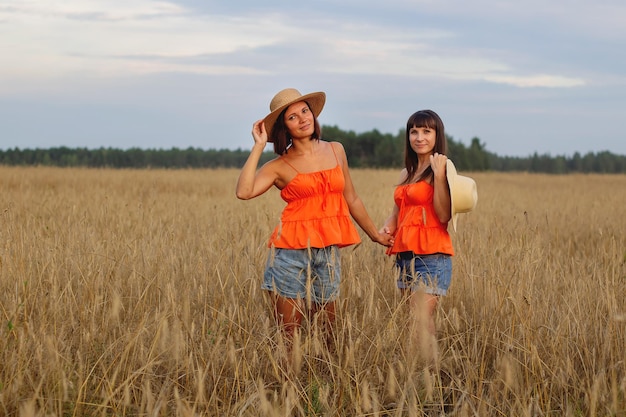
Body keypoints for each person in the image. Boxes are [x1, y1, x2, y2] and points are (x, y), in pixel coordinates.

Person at [236, 88, 393, 352]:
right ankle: (288, 390)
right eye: (292, 117)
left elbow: (351, 198)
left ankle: (321, 388)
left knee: (327, 333)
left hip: (328, 252)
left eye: (305, 111)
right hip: (289, 254)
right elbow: (244, 191)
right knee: (290, 338)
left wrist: (375, 235)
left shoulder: (336, 150)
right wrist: (259, 146)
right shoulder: (279, 166)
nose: (303, 119)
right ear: (284, 127)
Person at [380, 109, 476, 364]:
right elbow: (397, 212)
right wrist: (386, 228)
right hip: (405, 254)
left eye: (426, 131)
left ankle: (427, 376)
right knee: (411, 318)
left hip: (432, 255)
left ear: (437, 135)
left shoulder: (442, 171)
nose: (419, 137)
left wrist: (441, 176)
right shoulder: (406, 173)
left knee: (420, 319)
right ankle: (419, 373)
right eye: (414, 131)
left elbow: (443, 215)